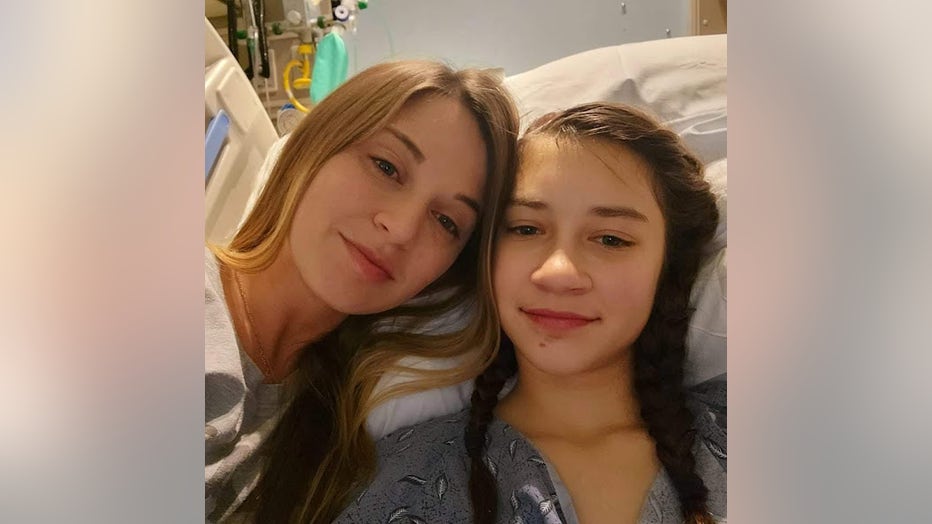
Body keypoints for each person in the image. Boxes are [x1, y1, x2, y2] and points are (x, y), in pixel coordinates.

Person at [336, 102, 725, 524]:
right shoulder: (411, 478)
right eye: (525, 229)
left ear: (668, 268)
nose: (558, 273)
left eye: (611, 239)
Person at [205, 60, 519, 523]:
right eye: (387, 166)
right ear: (319, 143)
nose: (400, 228)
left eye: (447, 221)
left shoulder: (333, 432)